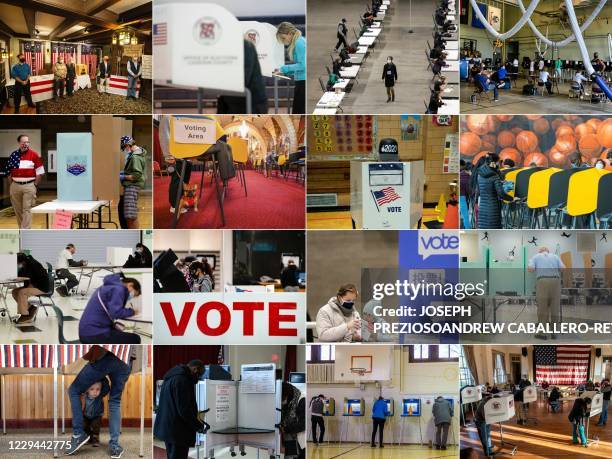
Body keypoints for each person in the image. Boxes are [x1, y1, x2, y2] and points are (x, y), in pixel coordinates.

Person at [66, 346, 132, 458]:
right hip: (126, 359)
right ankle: (114, 445)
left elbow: (89, 348)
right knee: (115, 401)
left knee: (74, 390)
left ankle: (78, 434)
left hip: (106, 355)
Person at [154, 360, 207, 459]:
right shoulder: (183, 380)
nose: (198, 378)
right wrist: (198, 426)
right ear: (195, 369)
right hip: (178, 431)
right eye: (199, 375)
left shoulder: (171, 376)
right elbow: (184, 410)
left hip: (168, 427)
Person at [78, 273, 142, 344]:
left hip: (87, 331)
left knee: (120, 333)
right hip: (94, 334)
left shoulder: (108, 286)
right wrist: (132, 312)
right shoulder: (118, 289)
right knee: (135, 338)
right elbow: (116, 313)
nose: (131, 296)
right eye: (133, 293)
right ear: (130, 285)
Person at [0, 134, 45, 229]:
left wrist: (35, 185)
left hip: (29, 186)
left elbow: (40, 172)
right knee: (18, 210)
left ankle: (26, 231)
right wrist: (12, 184)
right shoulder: (13, 155)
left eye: (27, 142)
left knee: (27, 209)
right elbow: (8, 172)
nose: (26, 144)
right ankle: (22, 229)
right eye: (24, 142)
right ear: (19, 143)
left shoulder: (34, 155)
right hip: (15, 186)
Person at [217, 40, 268, 114]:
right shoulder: (225, 46)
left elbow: (244, 77)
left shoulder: (245, 46)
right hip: (232, 100)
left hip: (250, 103)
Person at [528, 246, 565, 340]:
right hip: (556, 282)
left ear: (540, 251)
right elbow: (563, 269)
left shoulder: (535, 256)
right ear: (548, 251)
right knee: (555, 308)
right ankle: (554, 333)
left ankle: (542, 333)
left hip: (542, 281)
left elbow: (530, 269)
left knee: (542, 309)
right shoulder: (555, 257)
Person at [476, 153, 515, 229]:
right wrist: (512, 198)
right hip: (493, 209)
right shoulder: (494, 176)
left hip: (483, 209)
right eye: (498, 162)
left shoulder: (480, 175)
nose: (499, 164)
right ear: (493, 163)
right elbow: (501, 194)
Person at [276, 22, 306, 114]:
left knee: (297, 113)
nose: (284, 41)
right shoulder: (299, 41)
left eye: (283, 38)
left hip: (303, 83)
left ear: (290, 33)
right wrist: (285, 72)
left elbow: (303, 65)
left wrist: (284, 68)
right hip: (301, 81)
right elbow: (300, 68)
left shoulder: (299, 43)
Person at [13, 252, 50, 325]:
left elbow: (32, 277)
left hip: (41, 287)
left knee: (22, 292)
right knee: (15, 291)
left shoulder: (32, 264)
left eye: (17, 262)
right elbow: (22, 274)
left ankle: (26, 316)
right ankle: (31, 308)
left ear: (22, 261)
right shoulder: (26, 263)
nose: (17, 264)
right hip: (34, 284)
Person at [118, 136, 147, 229]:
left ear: (128, 145)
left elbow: (136, 175)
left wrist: (122, 177)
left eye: (124, 147)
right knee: (130, 214)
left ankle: (133, 236)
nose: (125, 150)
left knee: (130, 216)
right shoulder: (136, 154)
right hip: (132, 186)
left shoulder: (135, 157)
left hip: (132, 186)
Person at [81, 379, 110, 447]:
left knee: (95, 427)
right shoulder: (84, 396)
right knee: (85, 426)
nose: (95, 392)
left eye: (98, 389)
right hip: (86, 415)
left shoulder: (100, 396)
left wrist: (102, 377)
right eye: (92, 389)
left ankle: (95, 439)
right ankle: (88, 438)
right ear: (87, 390)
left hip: (97, 415)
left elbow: (107, 388)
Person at [281, 382, 306, 459]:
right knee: (290, 456)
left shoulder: (302, 399)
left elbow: (303, 424)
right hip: (290, 438)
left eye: (283, 398)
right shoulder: (290, 400)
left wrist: (285, 429)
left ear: (288, 395)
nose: (283, 401)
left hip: (301, 442)